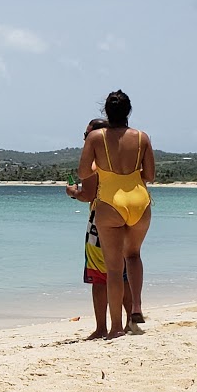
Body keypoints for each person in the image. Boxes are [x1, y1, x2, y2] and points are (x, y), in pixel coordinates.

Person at [77, 90, 155, 337]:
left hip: (110, 201)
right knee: (133, 256)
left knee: (112, 269)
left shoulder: (96, 138)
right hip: (139, 199)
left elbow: (83, 172)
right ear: (128, 111)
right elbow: (150, 175)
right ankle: (137, 307)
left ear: (106, 112)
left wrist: (100, 167)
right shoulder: (142, 137)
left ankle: (115, 328)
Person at [65, 118, 124, 340]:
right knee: (122, 272)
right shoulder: (124, 157)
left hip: (101, 219)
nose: (84, 139)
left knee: (99, 276)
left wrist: (72, 192)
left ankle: (102, 327)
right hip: (125, 215)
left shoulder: (95, 162)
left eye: (87, 135)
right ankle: (128, 322)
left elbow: (88, 195)